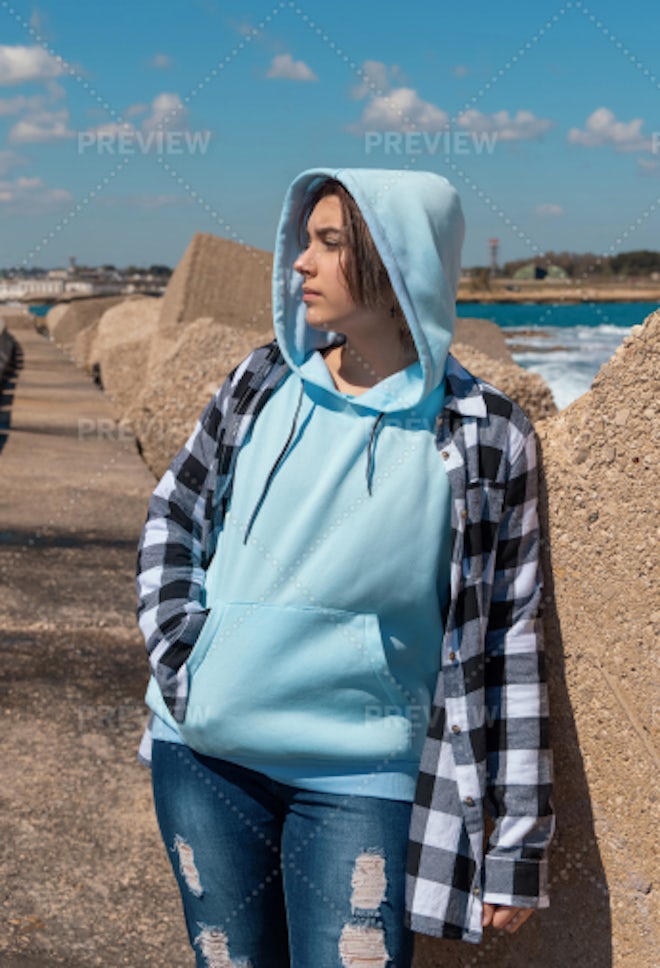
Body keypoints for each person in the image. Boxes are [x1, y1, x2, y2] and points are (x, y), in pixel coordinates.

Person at [136, 168, 554, 968]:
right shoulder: (259, 383)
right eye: (306, 240)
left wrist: (518, 842)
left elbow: (510, 637)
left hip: (365, 775)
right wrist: (184, 656)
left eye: (330, 244)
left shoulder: (485, 434)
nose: (300, 262)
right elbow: (173, 515)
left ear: (400, 265)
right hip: (205, 756)